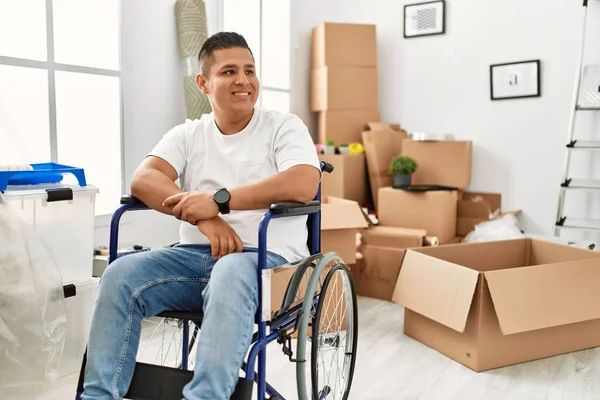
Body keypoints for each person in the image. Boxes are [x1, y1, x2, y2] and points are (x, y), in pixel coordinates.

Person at [81, 31, 321, 400]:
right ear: (203, 83)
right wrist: (206, 219)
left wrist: (219, 200)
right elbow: (145, 178)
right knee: (119, 273)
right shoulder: (188, 134)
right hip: (195, 257)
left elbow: (304, 182)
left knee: (230, 270)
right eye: (229, 72)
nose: (243, 80)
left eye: (249, 71)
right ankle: (98, 396)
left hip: (269, 264)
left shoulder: (283, 126)